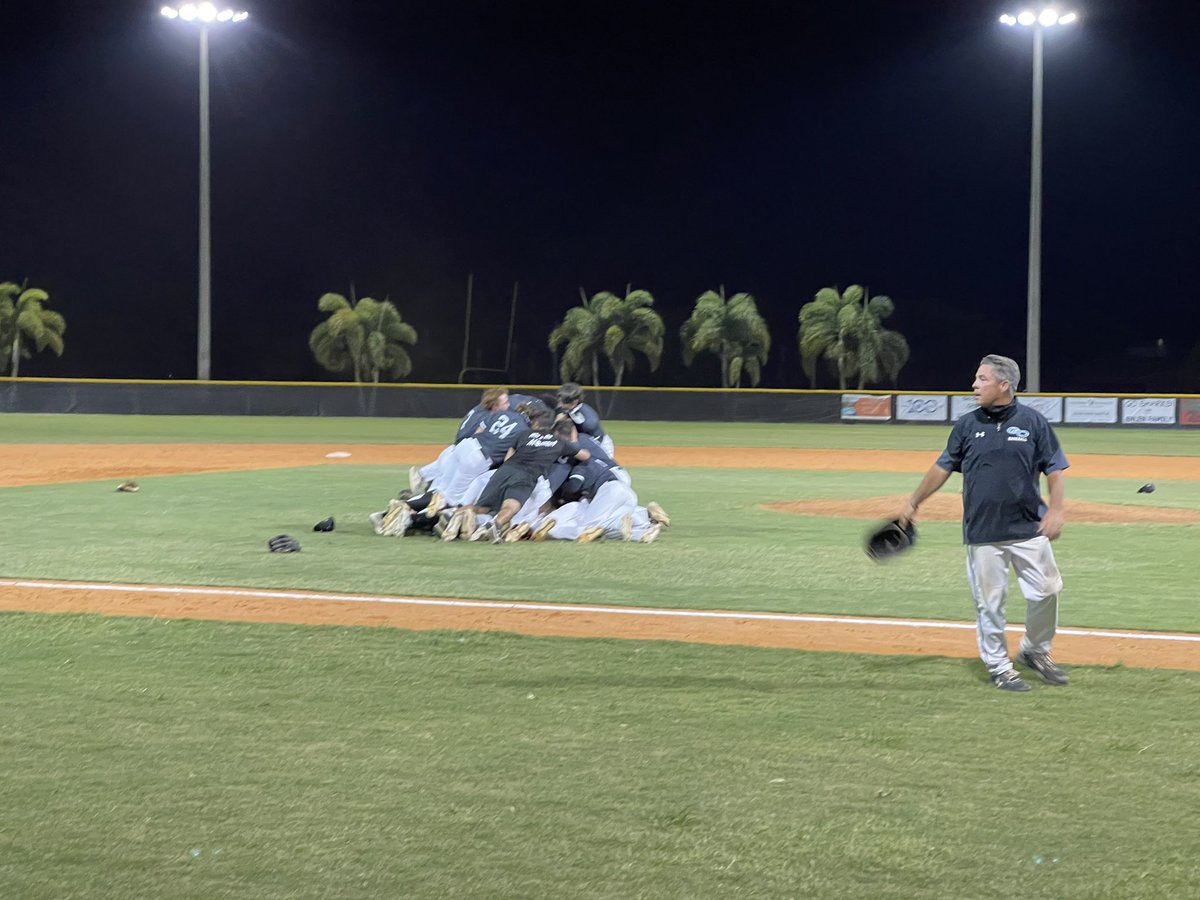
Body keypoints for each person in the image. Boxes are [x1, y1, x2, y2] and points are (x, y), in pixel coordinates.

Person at [898, 354, 1069, 692]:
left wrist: (1056, 510)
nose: (974, 385)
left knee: (1048, 590)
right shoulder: (967, 425)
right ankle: (999, 666)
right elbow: (942, 467)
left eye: (982, 379)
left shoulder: (1033, 423)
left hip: (1028, 527)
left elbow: (1055, 468)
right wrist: (913, 501)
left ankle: (1034, 651)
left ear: (1003, 385)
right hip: (983, 531)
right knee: (990, 603)